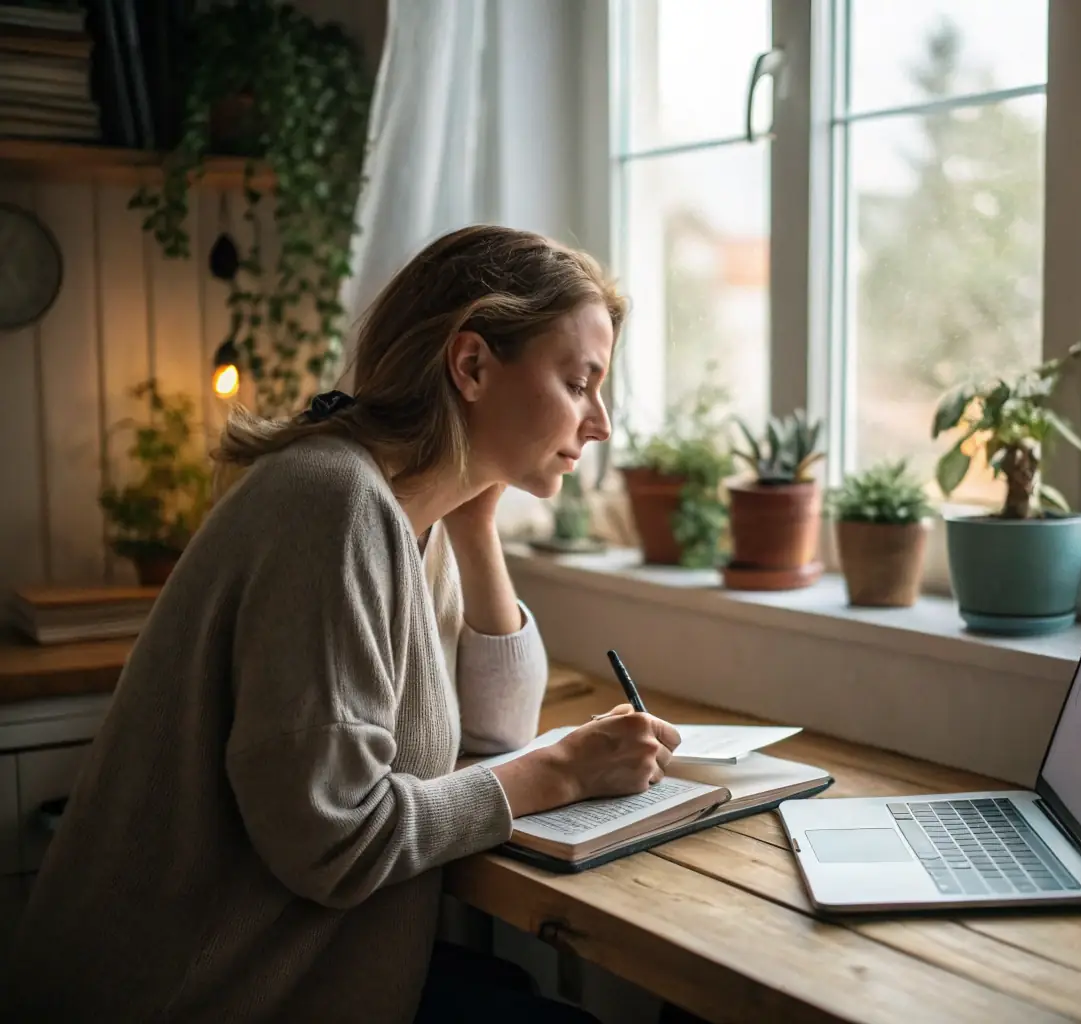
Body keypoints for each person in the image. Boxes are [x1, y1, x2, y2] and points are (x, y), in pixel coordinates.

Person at [2, 225, 681, 1023]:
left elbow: (496, 735)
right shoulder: (332, 505)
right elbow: (336, 839)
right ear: (469, 366)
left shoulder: (404, 515)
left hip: (303, 978)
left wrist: (476, 521)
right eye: (578, 383)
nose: (600, 423)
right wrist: (563, 773)